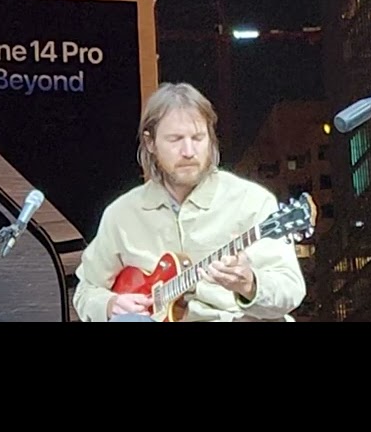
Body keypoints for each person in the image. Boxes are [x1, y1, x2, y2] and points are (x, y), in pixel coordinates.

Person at [72, 82, 307, 322]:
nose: (188, 151)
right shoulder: (122, 214)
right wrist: (110, 305)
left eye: (197, 138)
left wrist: (250, 285)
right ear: (150, 143)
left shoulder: (251, 201)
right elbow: (86, 290)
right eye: (175, 139)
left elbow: (290, 289)